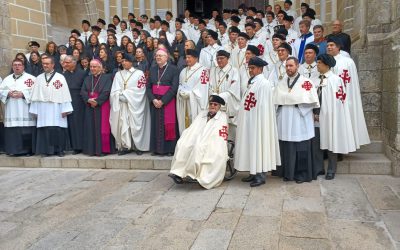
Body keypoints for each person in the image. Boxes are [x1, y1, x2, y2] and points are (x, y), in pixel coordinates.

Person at [235, 57, 281, 187]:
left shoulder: (264, 83)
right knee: (251, 145)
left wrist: (257, 120)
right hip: (250, 120)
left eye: (253, 68)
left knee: (259, 145)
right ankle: (253, 172)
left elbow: (264, 106)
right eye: (249, 68)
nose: (251, 70)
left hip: (259, 122)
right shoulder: (252, 82)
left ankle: (260, 175)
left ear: (260, 69)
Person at [273, 57, 319, 183]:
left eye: (291, 66)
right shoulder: (282, 82)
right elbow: (276, 99)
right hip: (285, 118)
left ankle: (302, 174)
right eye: (287, 66)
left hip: (299, 118)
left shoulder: (306, 82)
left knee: (301, 147)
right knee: (286, 146)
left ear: (297, 66)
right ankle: (287, 173)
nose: (288, 68)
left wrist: (296, 103)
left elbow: (312, 100)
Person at [311, 54, 356, 180]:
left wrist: (330, 114)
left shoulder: (336, 80)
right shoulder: (314, 79)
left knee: (331, 143)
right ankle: (319, 168)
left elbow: (339, 101)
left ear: (326, 64)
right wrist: (314, 112)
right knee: (316, 143)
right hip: (314, 117)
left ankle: (331, 169)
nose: (317, 65)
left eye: (319, 62)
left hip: (330, 117)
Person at [169, 95, 229, 189]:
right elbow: (194, 128)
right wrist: (188, 136)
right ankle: (178, 173)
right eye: (211, 104)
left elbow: (219, 134)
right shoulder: (203, 114)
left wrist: (203, 140)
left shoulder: (222, 117)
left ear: (219, 106)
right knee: (183, 144)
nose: (212, 106)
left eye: (215, 104)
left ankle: (194, 174)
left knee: (199, 148)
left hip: (211, 141)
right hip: (197, 137)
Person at [326, 38, 370, 149]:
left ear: (338, 46)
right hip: (329, 98)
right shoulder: (325, 60)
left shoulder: (348, 62)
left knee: (344, 122)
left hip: (344, 97)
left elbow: (352, 83)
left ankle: (343, 148)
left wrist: (348, 97)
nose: (329, 47)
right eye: (328, 45)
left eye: (332, 45)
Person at [29, 56, 73, 157]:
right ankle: (45, 150)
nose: (45, 65)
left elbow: (65, 94)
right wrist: (34, 110)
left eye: (47, 64)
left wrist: (65, 109)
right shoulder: (39, 78)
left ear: (53, 65)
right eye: (43, 63)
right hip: (42, 108)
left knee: (56, 128)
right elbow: (35, 95)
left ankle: (58, 150)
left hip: (56, 108)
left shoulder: (60, 77)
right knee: (44, 128)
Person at [110, 53, 151, 155]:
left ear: (131, 62)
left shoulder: (139, 73)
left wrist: (126, 95)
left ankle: (138, 146)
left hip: (135, 104)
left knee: (135, 125)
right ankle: (126, 146)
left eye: (126, 61)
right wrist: (118, 96)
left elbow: (141, 89)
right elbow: (114, 89)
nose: (124, 63)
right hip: (122, 105)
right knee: (124, 124)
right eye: (122, 61)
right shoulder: (118, 74)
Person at [146, 48, 179, 156]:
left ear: (166, 57)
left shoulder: (174, 69)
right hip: (155, 101)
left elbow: (174, 88)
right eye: (157, 55)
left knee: (168, 125)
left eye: (161, 55)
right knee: (156, 125)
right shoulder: (152, 69)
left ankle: (169, 149)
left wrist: (163, 101)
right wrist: (154, 100)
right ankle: (156, 149)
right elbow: (148, 87)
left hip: (167, 102)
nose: (158, 57)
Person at [0, 59, 36, 156]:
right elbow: (1, 91)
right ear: (12, 67)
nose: (17, 67)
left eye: (19, 65)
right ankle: (13, 150)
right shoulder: (7, 79)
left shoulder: (31, 78)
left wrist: (23, 94)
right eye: (15, 65)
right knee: (13, 131)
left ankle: (28, 150)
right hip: (11, 109)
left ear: (23, 66)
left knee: (26, 130)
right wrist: (8, 93)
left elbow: (35, 92)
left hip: (25, 109)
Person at [81, 59, 115, 156]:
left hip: (102, 106)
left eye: (94, 66)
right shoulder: (87, 78)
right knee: (90, 128)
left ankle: (103, 150)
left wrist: (97, 101)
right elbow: (83, 91)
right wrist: (88, 100)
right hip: (90, 106)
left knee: (102, 128)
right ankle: (91, 150)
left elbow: (107, 91)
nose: (92, 68)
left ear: (100, 67)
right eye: (91, 67)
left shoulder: (107, 78)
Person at [176, 49, 209, 135]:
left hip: (195, 103)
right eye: (186, 57)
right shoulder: (183, 71)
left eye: (189, 57)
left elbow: (203, 88)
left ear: (196, 58)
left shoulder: (203, 71)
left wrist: (190, 94)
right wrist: (180, 92)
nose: (187, 59)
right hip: (184, 103)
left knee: (195, 126)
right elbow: (180, 84)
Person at [209, 50, 240, 138]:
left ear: (228, 59)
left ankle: (231, 148)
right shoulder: (213, 70)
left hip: (228, 103)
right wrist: (214, 95)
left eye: (222, 58)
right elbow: (210, 86)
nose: (219, 60)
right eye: (217, 58)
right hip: (215, 103)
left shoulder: (234, 71)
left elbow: (234, 89)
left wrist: (219, 97)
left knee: (228, 128)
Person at [63, 56, 87, 154]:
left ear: (74, 62)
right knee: (71, 124)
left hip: (79, 101)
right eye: (65, 63)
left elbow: (85, 88)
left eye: (67, 63)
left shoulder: (83, 73)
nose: (65, 65)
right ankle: (72, 146)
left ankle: (81, 146)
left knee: (79, 124)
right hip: (67, 101)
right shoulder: (64, 75)